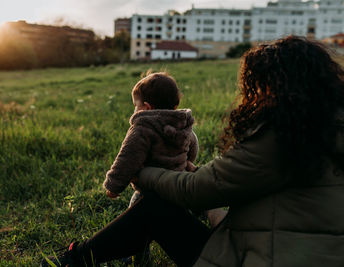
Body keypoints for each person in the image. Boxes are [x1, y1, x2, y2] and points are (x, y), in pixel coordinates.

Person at [42, 36, 344, 267]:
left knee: (155, 206)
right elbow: (238, 186)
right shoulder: (326, 129)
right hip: (304, 252)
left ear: (276, 88)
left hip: (263, 257)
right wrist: (206, 188)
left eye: (256, 88)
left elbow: (196, 191)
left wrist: (142, 173)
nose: (250, 96)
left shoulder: (282, 138)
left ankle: (74, 260)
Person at [102, 71, 198, 208]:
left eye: (136, 106)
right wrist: (186, 162)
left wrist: (113, 187)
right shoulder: (181, 124)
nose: (135, 111)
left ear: (147, 108)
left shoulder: (142, 128)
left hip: (150, 192)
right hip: (177, 189)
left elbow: (127, 158)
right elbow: (192, 146)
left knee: (136, 217)